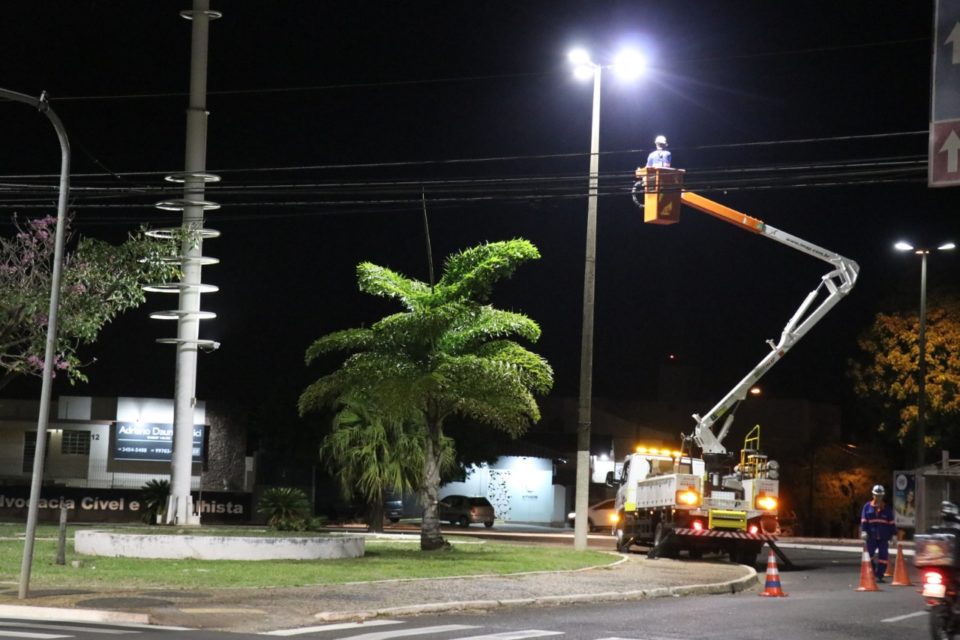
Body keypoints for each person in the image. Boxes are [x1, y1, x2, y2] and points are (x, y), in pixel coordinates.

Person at [860, 484, 897, 582]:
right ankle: (872, 572)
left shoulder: (887, 509)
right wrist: (864, 531)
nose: (878, 497)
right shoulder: (867, 507)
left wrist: (894, 535)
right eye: (876, 495)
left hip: (883, 537)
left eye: (880, 496)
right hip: (871, 536)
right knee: (869, 555)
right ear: (873, 495)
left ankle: (879, 575)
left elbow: (891, 523)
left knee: (883, 556)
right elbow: (864, 520)